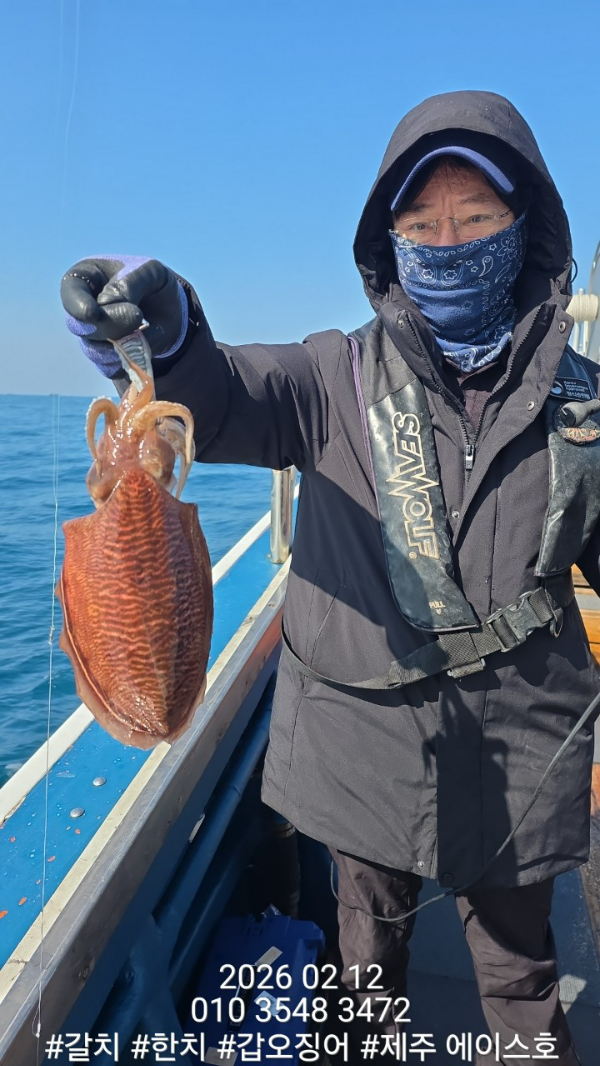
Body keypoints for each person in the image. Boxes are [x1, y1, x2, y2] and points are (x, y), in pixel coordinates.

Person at [61, 91, 598, 1065]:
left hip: (524, 753)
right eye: (421, 224)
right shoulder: (329, 376)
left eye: (476, 217)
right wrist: (163, 340)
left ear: (526, 229)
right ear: (389, 243)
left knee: (522, 980)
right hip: (363, 750)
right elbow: (224, 398)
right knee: (363, 973)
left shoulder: (583, 404)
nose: (448, 242)